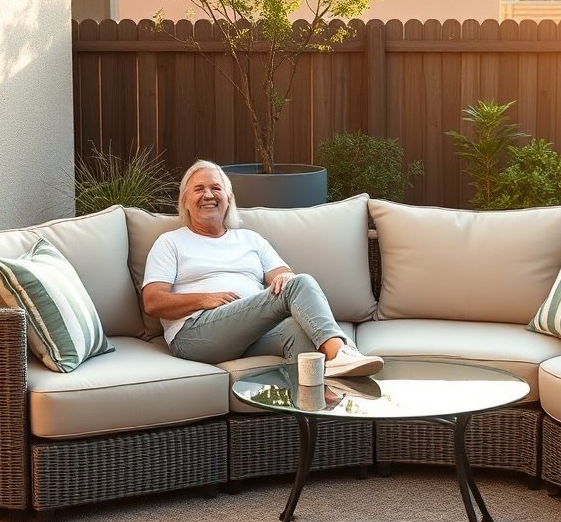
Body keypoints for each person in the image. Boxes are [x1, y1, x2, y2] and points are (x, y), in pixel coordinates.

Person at [142, 159, 384, 377]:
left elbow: (284, 276)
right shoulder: (170, 242)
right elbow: (152, 302)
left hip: (248, 331)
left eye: (216, 188)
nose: (208, 195)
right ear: (185, 200)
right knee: (300, 282)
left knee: (299, 330)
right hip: (195, 334)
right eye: (199, 189)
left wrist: (285, 277)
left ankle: (306, 405)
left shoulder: (250, 239)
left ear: (229, 198)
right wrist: (204, 299)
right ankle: (341, 353)